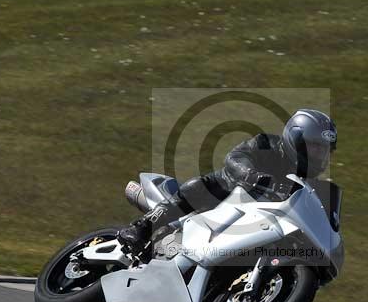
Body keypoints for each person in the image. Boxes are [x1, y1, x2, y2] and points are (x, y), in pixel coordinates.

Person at [117, 109, 338, 255]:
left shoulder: (307, 185)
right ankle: (141, 228)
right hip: (226, 194)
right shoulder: (266, 144)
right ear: (296, 139)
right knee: (201, 187)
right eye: (315, 146)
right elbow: (235, 157)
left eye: (324, 150)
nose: (320, 155)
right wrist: (250, 174)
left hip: (255, 221)